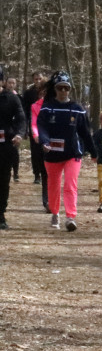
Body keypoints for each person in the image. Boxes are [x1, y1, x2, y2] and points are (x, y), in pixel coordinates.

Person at [36, 71, 96, 232]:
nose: (63, 91)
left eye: (66, 88)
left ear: (70, 89)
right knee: (53, 184)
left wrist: (94, 152)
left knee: (70, 184)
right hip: (52, 153)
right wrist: (45, 141)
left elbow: (85, 132)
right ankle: (55, 213)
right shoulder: (47, 107)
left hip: (73, 153)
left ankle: (70, 216)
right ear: (55, 89)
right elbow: (42, 127)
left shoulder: (77, 109)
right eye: (60, 88)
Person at [0, 67, 26, 230]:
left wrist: (19, 134)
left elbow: (21, 118)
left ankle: (1, 214)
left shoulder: (11, 98)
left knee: (3, 180)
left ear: (2, 81)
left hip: (5, 145)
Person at [22, 71, 48, 207]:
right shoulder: (29, 93)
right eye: (36, 78)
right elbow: (25, 111)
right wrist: (26, 128)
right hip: (33, 125)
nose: (38, 80)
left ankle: (45, 172)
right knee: (35, 151)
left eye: (40, 78)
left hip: (47, 129)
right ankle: (36, 173)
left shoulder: (50, 93)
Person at [3, 76, 22, 184]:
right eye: (9, 82)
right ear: (5, 83)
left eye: (13, 83)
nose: (11, 85)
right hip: (4, 129)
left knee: (15, 152)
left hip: (14, 130)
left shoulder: (18, 97)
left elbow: (22, 115)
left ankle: (15, 173)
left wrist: (21, 131)